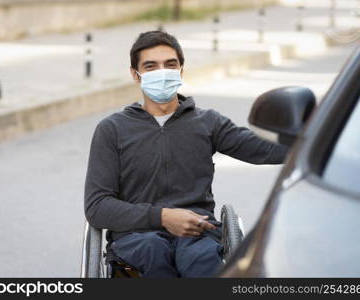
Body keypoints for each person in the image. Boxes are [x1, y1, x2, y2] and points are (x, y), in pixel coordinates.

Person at [84, 31, 288, 278]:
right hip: (137, 236)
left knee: (199, 259)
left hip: (198, 232)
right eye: (151, 66)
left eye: (170, 65)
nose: (162, 72)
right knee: (153, 250)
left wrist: (324, 137)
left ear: (181, 70)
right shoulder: (113, 130)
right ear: (135, 75)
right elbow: (97, 206)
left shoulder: (207, 122)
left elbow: (263, 149)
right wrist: (162, 217)